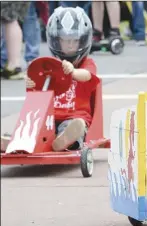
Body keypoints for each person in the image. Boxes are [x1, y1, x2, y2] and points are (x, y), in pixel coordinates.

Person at [24, 6, 99, 152]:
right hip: (50, 117)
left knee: (75, 126)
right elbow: (39, 90)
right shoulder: (48, 65)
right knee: (33, 123)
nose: (70, 45)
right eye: (65, 40)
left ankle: (66, 140)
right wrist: (31, 83)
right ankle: (20, 142)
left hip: (75, 117)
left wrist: (73, 72)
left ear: (83, 40)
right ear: (56, 41)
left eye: (74, 40)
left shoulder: (87, 64)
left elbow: (87, 76)